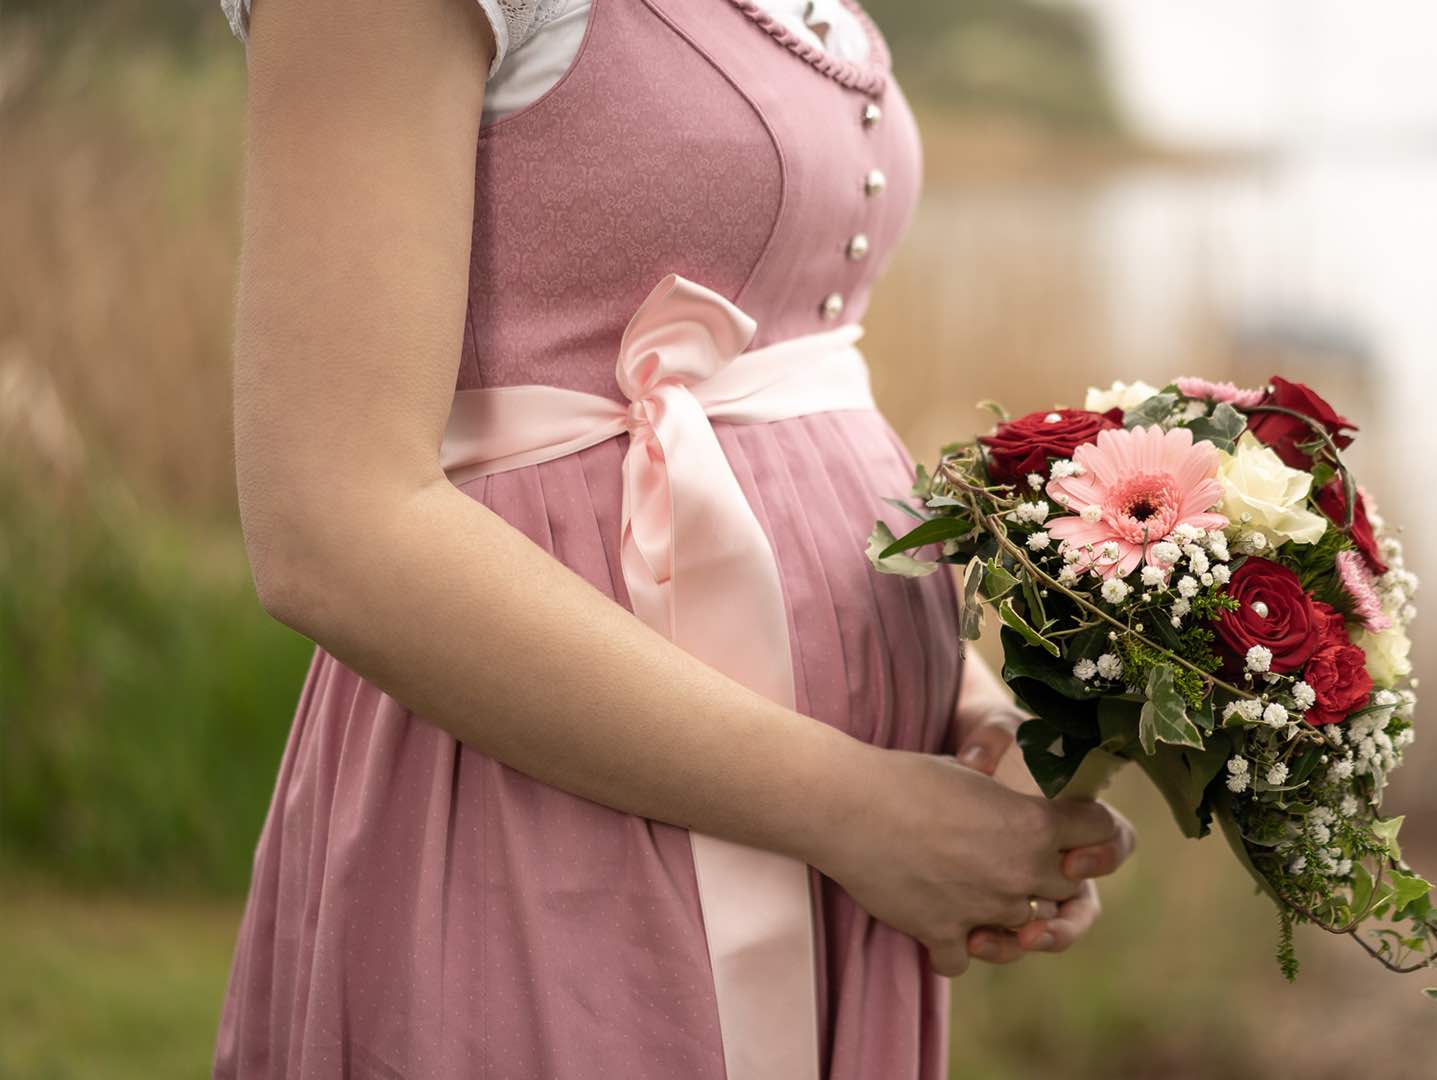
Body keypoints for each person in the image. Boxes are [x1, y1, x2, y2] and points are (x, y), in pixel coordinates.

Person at [210, 0, 1136, 1076]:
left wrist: (965, 703)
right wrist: (856, 812)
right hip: (554, 810)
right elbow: (334, 525)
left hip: (838, 827)